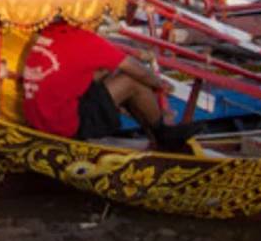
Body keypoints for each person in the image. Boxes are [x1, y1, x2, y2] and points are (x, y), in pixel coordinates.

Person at [20, 23, 195, 150]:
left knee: (112, 76)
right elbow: (136, 70)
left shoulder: (49, 33)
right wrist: (160, 84)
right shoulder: (83, 39)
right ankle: (163, 132)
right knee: (131, 81)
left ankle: (154, 135)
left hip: (39, 120)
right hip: (63, 126)